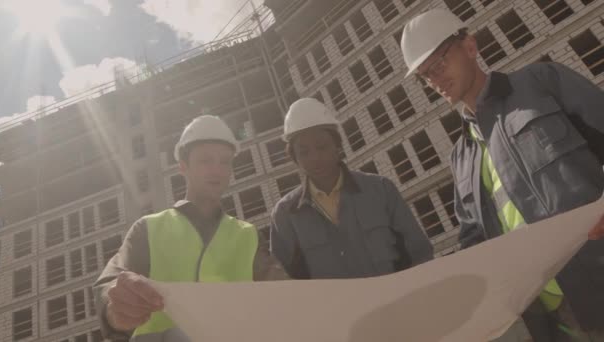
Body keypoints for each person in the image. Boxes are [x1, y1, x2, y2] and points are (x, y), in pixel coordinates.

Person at [400, 8, 604, 342]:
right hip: (553, 316)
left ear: (469, 46)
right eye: (426, 75)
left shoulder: (542, 83)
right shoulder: (461, 158)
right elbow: (475, 246)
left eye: (439, 63)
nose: (435, 80)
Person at [93, 115, 285, 341]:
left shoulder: (248, 235)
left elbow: (283, 293)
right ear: (183, 167)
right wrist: (115, 307)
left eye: (225, 161)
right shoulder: (148, 228)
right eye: (205, 160)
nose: (217, 170)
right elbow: (111, 282)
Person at [270, 97, 433, 281]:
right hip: (335, 309)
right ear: (295, 158)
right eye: (304, 152)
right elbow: (286, 284)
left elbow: (420, 255)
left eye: (322, 146)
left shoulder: (380, 190)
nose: (315, 157)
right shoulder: (285, 214)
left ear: (337, 146)